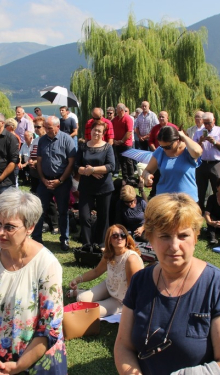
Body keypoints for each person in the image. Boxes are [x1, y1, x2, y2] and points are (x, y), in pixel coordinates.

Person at [114, 193, 220, 375]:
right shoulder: (139, 281)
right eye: (165, 236)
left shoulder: (219, 285)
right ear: (150, 238)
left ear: (196, 237)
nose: (174, 246)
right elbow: (123, 346)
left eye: (183, 235)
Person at [0, 189, 67, 374]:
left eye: (10, 227)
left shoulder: (47, 265)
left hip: (38, 363)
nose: (1, 232)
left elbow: (50, 326)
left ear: (30, 227)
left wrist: (19, 366)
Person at [68, 224, 144, 317]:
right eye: (115, 236)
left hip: (121, 299)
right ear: (109, 240)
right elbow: (96, 271)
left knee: (91, 311)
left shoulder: (131, 259)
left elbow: (134, 289)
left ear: (127, 238)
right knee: (81, 299)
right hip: (110, 286)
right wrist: (77, 280)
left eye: (123, 235)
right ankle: (80, 292)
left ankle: (85, 294)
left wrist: (130, 310)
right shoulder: (109, 255)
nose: (119, 238)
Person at [32, 116, 76, 251]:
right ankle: (36, 239)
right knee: (39, 211)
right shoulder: (42, 140)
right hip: (44, 181)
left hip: (61, 182)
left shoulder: (67, 139)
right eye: (45, 127)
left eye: (49, 128)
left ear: (58, 127)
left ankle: (64, 239)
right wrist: (43, 179)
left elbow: (71, 163)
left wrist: (60, 180)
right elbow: (39, 161)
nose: (46, 130)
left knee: (63, 211)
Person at [75, 120, 115, 247]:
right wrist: (90, 172)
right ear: (90, 131)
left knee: (103, 217)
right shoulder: (83, 147)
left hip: (104, 186)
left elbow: (111, 166)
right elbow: (76, 166)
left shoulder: (108, 147)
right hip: (86, 187)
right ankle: (86, 244)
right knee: (84, 215)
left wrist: (93, 169)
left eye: (99, 131)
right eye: (94, 130)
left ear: (103, 133)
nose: (96, 133)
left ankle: (101, 244)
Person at [143, 126, 202, 200]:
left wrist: (183, 136)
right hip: (164, 200)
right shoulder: (160, 151)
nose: (164, 149)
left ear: (177, 140)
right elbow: (147, 170)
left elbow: (197, 151)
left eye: (168, 147)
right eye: (162, 146)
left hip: (187, 200)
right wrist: (147, 175)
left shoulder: (189, 150)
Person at [193, 112, 220, 212]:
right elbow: (193, 149)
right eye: (205, 123)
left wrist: (214, 142)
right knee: (201, 189)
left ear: (214, 121)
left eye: (208, 123)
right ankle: (200, 210)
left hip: (215, 163)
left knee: (217, 188)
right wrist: (200, 141)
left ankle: (218, 209)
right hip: (202, 163)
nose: (207, 125)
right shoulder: (199, 132)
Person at [112, 103, 135, 184]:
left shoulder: (128, 119)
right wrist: (114, 140)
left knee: (128, 161)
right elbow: (112, 129)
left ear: (121, 110)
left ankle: (131, 177)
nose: (115, 109)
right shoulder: (115, 119)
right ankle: (125, 177)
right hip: (117, 144)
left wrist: (122, 141)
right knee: (121, 161)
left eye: (117, 108)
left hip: (126, 144)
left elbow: (129, 132)